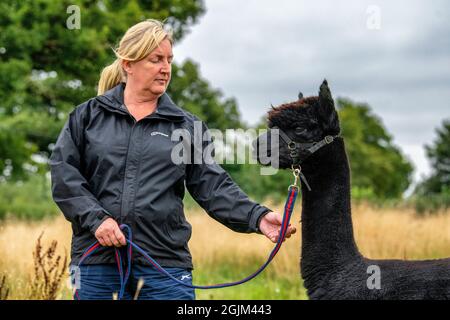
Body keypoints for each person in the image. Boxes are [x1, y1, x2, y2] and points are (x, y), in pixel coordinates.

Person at [49, 19, 296, 300]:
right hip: (96, 263)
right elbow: (63, 175)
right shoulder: (87, 116)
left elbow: (212, 186)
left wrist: (258, 217)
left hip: (164, 264)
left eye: (169, 60)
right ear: (128, 64)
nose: (165, 68)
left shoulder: (186, 127)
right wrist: (97, 220)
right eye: (156, 60)